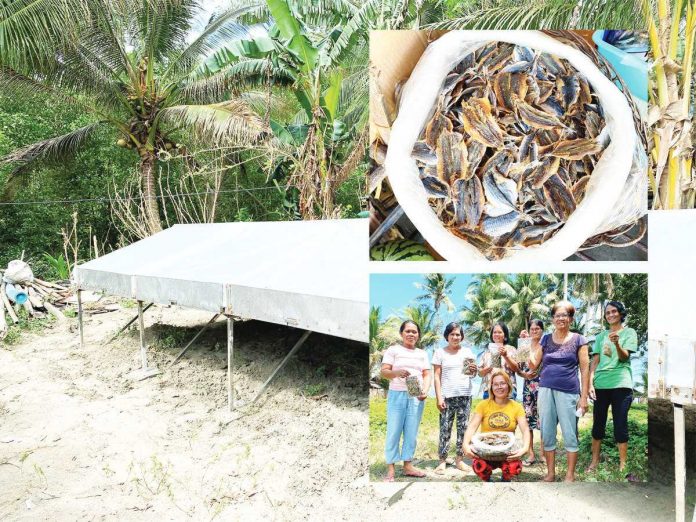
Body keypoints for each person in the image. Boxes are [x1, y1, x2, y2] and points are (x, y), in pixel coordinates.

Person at [529, 300, 589, 482]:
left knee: (570, 433)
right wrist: (527, 344)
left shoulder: (579, 340)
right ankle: (550, 474)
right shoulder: (545, 339)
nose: (561, 318)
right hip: (545, 389)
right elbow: (533, 363)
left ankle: (570, 475)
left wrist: (584, 397)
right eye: (557, 315)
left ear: (570, 318)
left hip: (569, 391)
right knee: (547, 432)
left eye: (565, 315)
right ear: (553, 319)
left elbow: (585, 369)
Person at [587, 301, 638, 473]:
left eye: (614, 311)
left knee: (620, 424)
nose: (610, 315)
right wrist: (590, 383)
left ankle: (623, 464)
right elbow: (595, 361)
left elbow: (624, 358)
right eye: (608, 312)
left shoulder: (629, 332)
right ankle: (594, 462)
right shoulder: (601, 336)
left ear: (620, 313)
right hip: (601, 384)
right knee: (598, 424)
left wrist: (617, 344)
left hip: (621, 384)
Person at [380, 320, 431, 482]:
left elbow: (427, 374)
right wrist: (396, 372)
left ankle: (408, 465)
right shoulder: (393, 350)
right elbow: (384, 372)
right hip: (397, 394)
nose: (411, 334)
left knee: (411, 431)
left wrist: (425, 391)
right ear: (402, 333)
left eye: (414, 332)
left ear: (418, 335)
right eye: (408, 331)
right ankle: (391, 468)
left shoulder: (422, 353)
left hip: (416, 396)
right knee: (394, 430)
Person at [463, 369, 530, 482]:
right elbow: (472, 427)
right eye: (496, 384)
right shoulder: (483, 405)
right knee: (479, 465)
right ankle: (487, 480)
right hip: (486, 452)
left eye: (503, 383)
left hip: (507, 452)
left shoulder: (517, 407)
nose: (499, 387)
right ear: (491, 387)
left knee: (514, 467)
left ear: (508, 386)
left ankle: (506, 479)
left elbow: (525, 430)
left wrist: (525, 448)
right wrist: (465, 445)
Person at [432, 322, 477, 473]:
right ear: (447, 336)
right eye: (452, 334)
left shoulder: (468, 352)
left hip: (465, 395)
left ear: (461, 336)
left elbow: (471, 375)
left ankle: (459, 459)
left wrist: (474, 371)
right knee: (445, 429)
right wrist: (439, 397)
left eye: (458, 334)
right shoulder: (440, 353)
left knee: (463, 429)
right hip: (447, 396)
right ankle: (442, 460)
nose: (455, 337)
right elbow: (437, 376)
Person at [517, 320, 544, 466]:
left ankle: (544, 453)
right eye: (532, 329)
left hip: (543, 385)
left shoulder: (545, 345)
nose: (534, 331)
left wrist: (525, 344)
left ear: (542, 330)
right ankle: (531, 453)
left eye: (537, 328)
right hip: (528, 387)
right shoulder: (524, 346)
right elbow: (519, 368)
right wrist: (523, 343)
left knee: (544, 420)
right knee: (528, 420)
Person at [478, 322, 518, 400]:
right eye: (494, 332)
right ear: (492, 335)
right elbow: (480, 373)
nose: (496, 334)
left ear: (505, 335)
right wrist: (487, 369)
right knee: (490, 413)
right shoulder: (487, 352)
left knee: (507, 412)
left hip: (508, 389)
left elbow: (516, 369)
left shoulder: (511, 349)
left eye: (500, 332)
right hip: (489, 390)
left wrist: (505, 356)